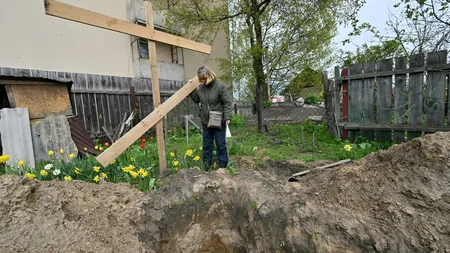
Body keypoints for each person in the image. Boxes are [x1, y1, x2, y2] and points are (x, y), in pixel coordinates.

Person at [189, 65, 232, 171]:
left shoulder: (219, 86)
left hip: (218, 120)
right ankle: (207, 166)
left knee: (220, 144)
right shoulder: (201, 88)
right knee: (207, 144)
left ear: (209, 76)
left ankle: (223, 166)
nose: (202, 81)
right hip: (205, 121)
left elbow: (227, 102)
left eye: (204, 78)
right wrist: (191, 89)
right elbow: (196, 99)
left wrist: (227, 117)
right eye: (201, 79)